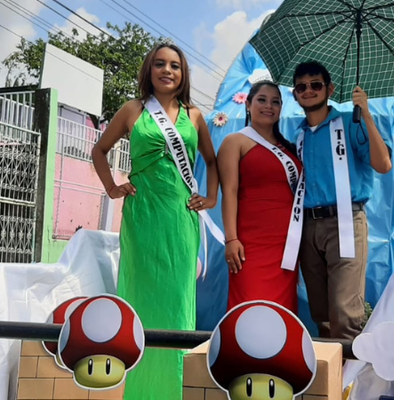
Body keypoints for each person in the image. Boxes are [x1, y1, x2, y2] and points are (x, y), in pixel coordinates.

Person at [91, 41, 220, 400]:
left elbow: (212, 160)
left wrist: (210, 198)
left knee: (177, 299)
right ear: (149, 69)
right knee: (140, 296)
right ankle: (137, 390)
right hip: (142, 214)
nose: (167, 70)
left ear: (183, 74)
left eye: (175, 66)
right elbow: (99, 150)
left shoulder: (194, 115)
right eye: (160, 64)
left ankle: (171, 388)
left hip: (180, 218)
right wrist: (111, 187)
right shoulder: (132, 109)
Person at [291, 61, 392, 340]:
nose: (308, 90)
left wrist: (367, 114)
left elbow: (383, 165)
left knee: (344, 313)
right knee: (320, 313)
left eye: (315, 85)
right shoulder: (297, 136)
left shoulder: (351, 122)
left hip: (345, 222)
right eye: (301, 87)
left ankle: (351, 383)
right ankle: (330, 380)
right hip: (308, 227)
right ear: (295, 94)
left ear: (330, 89)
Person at [218, 80, 302, 314]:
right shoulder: (235, 142)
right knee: (249, 306)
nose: (269, 106)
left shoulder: (290, 148)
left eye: (275, 102)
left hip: (286, 243)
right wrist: (231, 239)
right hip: (250, 243)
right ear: (248, 105)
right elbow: (230, 192)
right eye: (262, 100)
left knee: (282, 311)